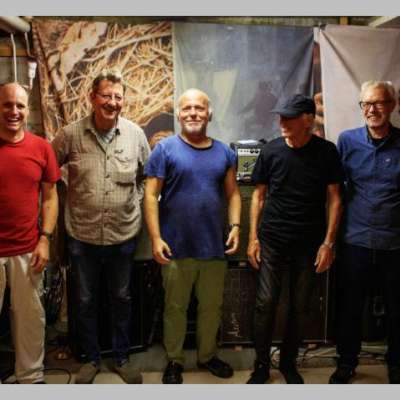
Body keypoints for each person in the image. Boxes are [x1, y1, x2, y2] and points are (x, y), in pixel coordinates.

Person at [51, 69, 150, 384]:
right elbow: (49, 172)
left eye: (118, 97)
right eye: (106, 95)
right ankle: (91, 359)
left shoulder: (135, 135)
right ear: (92, 97)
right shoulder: (70, 135)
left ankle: (121, 357)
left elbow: (146, 177)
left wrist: (134, 201)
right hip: (82, 235)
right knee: (84, 300)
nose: (112, 102)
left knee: (122, 297)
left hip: (123, 234)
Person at [144, 88, 241, 384]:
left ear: (209, 114)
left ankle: (207, 356)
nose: (193, 113)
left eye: (199, 108)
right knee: (175, 308)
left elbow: (234, 194)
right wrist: (156, 238)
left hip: (214, 246)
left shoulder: (225, 153)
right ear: (178, 114)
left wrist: (236, 226)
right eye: (187, 108)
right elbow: (150, 196)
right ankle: (174, 360)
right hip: (175, 246)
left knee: (211, 308)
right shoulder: (165, 150)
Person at [246, 94, 343, 384]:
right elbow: (258, 197)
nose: (282, 122)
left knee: (300, 307)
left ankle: (288, 363)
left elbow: (335, 199)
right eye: (281, 116)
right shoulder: (271, 151)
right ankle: (261, 366)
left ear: (308, 121)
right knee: (265, 303)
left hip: (309, 242)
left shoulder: (326, 152)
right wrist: (253, 238)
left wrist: (328, 243)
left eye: (289, 117)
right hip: (272, 240)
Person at [330, 80, 400, 384]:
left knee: (397, 310)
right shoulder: (347, 141)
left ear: (392, 105)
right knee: (350, 308)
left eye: (378, 102)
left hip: (394, 243)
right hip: (355, 240)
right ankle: (346, 363)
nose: (372, 109)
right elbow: (336, 191)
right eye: (366, 104)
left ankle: (396, 364)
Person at [0, 82, 60, 383]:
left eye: (20, 106)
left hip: (27, 248)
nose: (14, 111)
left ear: (27, 109)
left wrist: (44, 239)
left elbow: (50, 197)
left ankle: (31, 378)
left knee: (30, 319)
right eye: (7, 104)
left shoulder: (41, 148)